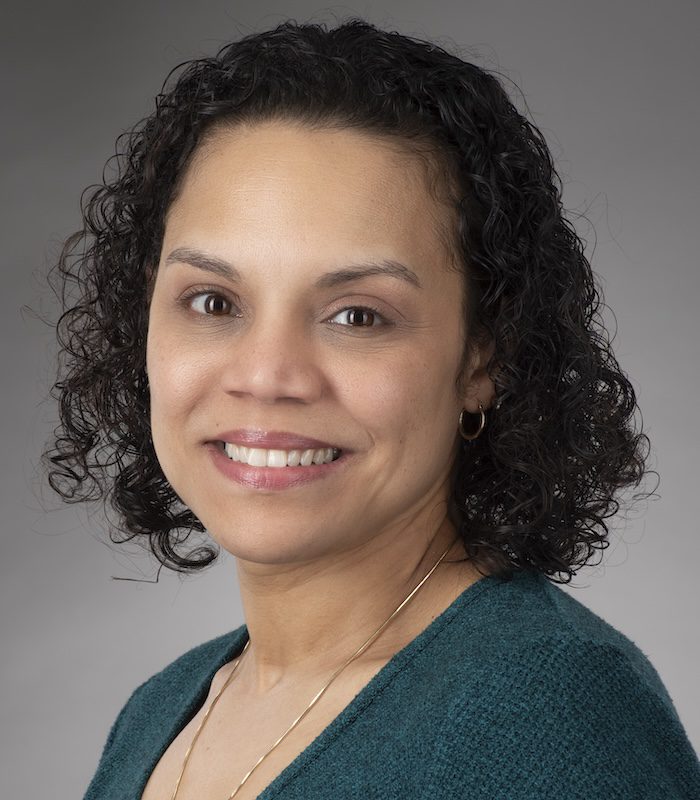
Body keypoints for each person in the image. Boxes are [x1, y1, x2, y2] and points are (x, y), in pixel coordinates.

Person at [44, 18, 699, 800]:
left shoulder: (550, 713)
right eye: (213, 300)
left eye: (358, 315)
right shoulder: (159, 713)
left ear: (482, 358)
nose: (267, 375)